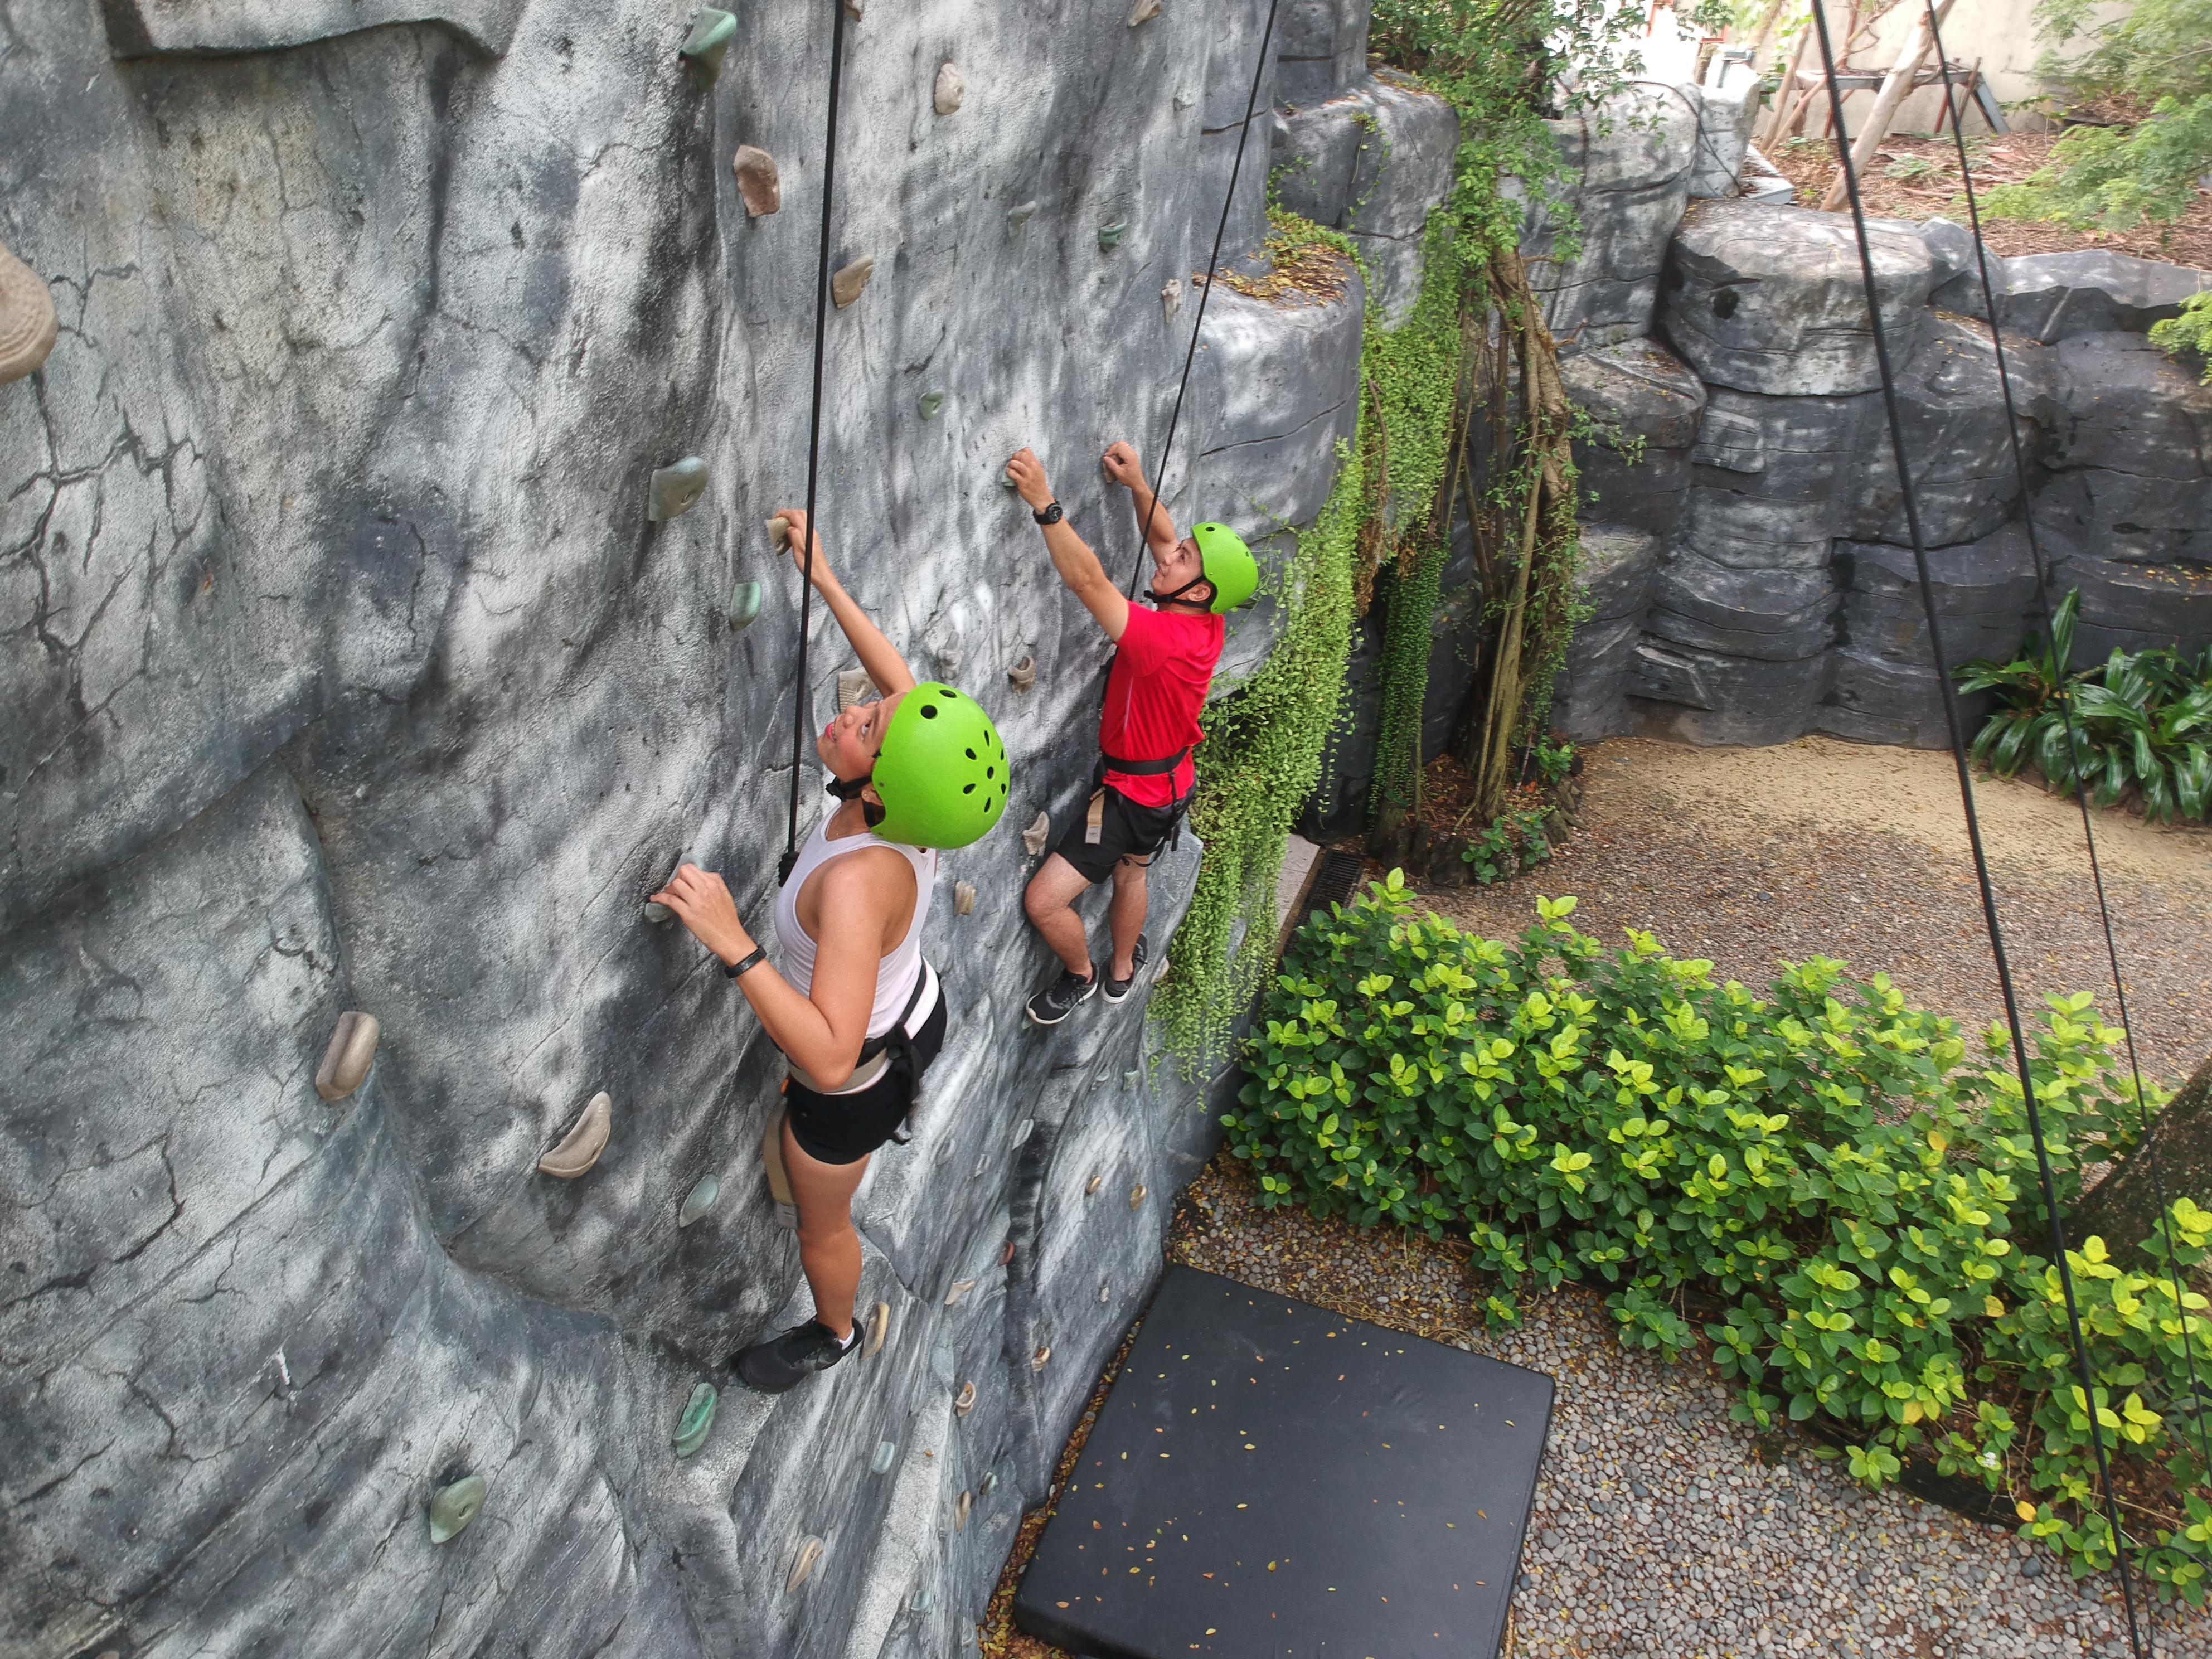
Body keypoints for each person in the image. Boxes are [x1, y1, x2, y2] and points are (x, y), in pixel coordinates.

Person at [651, 509, 1010, 1393]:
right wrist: (825, 576)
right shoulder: (923, 808)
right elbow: (909, 696)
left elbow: (826, 1050)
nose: (856, 710)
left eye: (868, 728)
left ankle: (836, 1330)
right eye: (873, 711)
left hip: (849, 1085)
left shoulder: (856, 887)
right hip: (911, 1009)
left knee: (821, 1222)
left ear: (882, 789)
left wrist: (734, 942)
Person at [1004, 440, 1258, 1026]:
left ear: (1197, 591)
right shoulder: (1207, 617)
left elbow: (1089, 583)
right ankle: (1123, 971)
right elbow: (1165, 539)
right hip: (1168, 786)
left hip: (1128, 797)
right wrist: (1139, 486)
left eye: (1185, 561)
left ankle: (1081, 976)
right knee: (1132, 870)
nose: (1168, 557)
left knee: (1043, 902)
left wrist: (1045, 504)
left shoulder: (1162, 642)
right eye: (1185, 550)